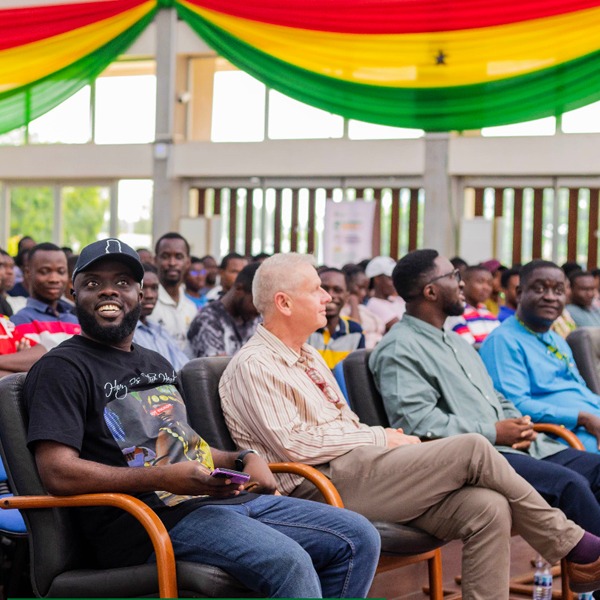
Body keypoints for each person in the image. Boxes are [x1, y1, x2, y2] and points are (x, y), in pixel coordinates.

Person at [219, 252, 600, 599]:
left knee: (487, 507)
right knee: (472, 448)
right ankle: (575, 546)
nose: (327, 297)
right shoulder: (254, 364)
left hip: (360, 472)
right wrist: (380, 437)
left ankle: (572, 552)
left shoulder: (309, 356)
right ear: (283, 302)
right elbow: (294, 445)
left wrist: (382, 443)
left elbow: (342, 425)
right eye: (316, 289)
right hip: (315, 487)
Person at [23, 238, 381, 599]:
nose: (108, 292)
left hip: (213, 504)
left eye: (122, 282)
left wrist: (240, 459)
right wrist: (164, 477)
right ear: (74, 294)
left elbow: (184, 442)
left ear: (141, 292)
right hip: (146, 521)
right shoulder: (61, 368)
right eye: (92, 284)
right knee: (288, 561)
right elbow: (57, 471)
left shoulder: (156, 363)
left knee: (358, 536)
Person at [369, 249, 600, 535]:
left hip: (520, 447)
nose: (462, 282)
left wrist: (520, 425)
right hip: (480, 460)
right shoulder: (399, 348)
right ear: (430, 291)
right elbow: (417, 424)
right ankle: (591, 570)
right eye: (454, 276)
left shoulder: (457, 342)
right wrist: (495, 432)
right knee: (571, 486)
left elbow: (496, 396)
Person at [480, 260, 600, 453]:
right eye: (540, 289)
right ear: (519, 293)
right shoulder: (503, 341)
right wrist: (582, 417)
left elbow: (579, 389)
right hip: (557, 434)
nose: (551, 297)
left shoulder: (556, 339)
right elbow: (515, 405)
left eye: (558, 291)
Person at [10, 243, 80, 349]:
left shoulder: (76, 319)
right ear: (28, 273)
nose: (54, 279)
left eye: (61, 272)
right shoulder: (20, 320)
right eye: (44, 272)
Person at [187, 263, 261, 358]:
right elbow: (218, 370)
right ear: (239, 289)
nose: (260, 310)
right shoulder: (208, 321)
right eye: (255, 302)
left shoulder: (254, 318)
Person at [133, 263, 190, 370]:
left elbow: (185, 367)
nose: (150, 295)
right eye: (143, 287)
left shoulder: (159, 330)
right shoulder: (126, 334)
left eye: (154, 288)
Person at [150, 233, 197, 354]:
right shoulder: (146, 305)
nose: (172, 263)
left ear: (188, 262)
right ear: (155, 261)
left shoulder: (191, 308)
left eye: (179, 257)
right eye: (165, 256)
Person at [307, 268, 364, 369]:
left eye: (337, 290)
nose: (330, 295)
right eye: (324, 289)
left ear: (347, 296)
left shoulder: (355, 331)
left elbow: (357, 373)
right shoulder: (302, 328)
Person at [445, 265, 499, 346]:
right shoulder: (457, 313)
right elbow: (468, 347)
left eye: (489, 284)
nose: (486, 287)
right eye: (480, 282)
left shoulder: (488, 314)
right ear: (464, 283)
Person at [340, 265, 385, 350]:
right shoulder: (342, 310)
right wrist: (353, 303)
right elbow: (355, 329)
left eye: (366, 288)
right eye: (360, 287)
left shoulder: (362, 308)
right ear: (346, 284)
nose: (364, 293)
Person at [364, 256, 405, 331]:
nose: (395, 282)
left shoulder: (397, 299)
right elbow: (400, 327)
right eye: (390, 278)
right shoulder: (374, 303)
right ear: (377, 279)